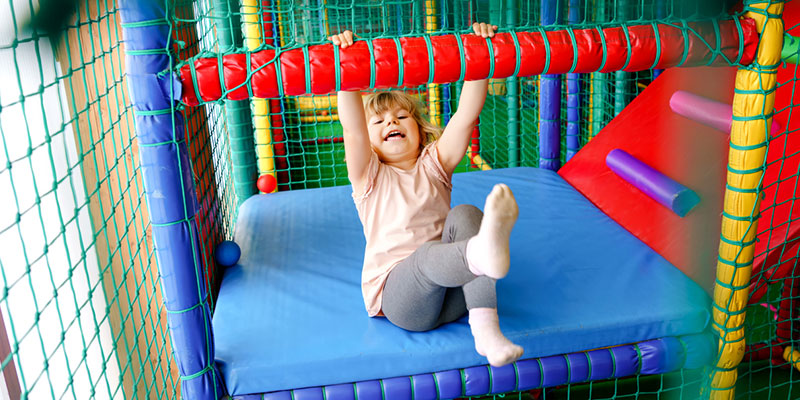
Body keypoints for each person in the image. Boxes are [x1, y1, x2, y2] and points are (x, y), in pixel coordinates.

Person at [330, 23, 523, 367]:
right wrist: (347, 64)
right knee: (429, 253)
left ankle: (486, 330)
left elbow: (465, 117)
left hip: (457, 292)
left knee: (465, 214)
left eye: (402, 116)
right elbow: (352, 128)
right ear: (371, 139)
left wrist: (480, 55)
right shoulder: (369, 175)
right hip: (405, 301)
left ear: (419, 131)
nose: (392, 121)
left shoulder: (435, 164)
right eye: (380, 121)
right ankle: (479, 255)